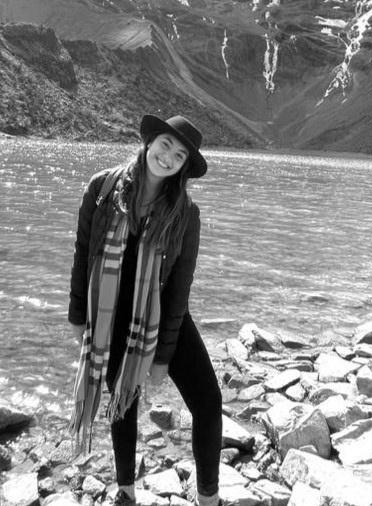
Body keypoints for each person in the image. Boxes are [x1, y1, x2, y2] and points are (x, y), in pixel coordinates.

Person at [68, 114, 222, 506]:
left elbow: (179, 291)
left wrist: (162, 358)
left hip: (164, 317)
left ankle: (209, 498)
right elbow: (82, 254)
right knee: (122, 403)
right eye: (165, 145)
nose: (168, 157)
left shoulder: (186, 214)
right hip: (110, 316)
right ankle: (126, 491)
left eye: (179, 155)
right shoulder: (102, 189)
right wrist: (77, 316)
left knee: (208, 402)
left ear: (184, 166)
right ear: (149, 141)